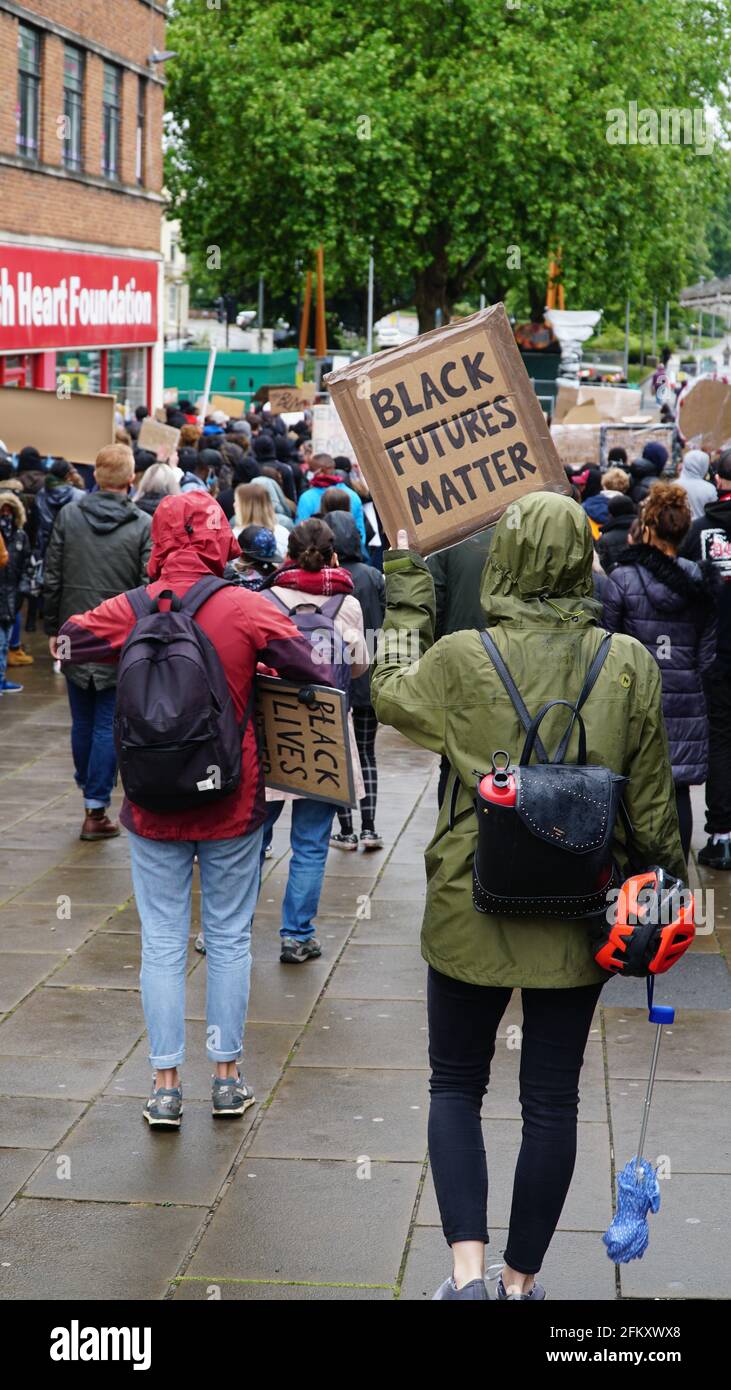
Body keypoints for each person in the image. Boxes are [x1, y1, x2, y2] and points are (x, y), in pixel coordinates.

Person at [370, 491, 685, 1301]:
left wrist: (406, 576)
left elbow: (387, 687)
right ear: (584, 562)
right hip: (579, 912)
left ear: (503, 557)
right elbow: (651, 809)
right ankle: (519, 1285)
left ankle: (466, 1277)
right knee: (551, 1100)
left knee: (454, 1083)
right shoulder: (627, 662)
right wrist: (662, 892)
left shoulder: (460, 656)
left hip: (467, 904)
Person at [54, 491, 333, 1127]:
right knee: (231, 938)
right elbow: (315, 666)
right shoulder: (244, 605)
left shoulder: (131, 607)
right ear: (218, 540)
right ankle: (228, 1079)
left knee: (160, 942)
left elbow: (68, 644)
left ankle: (163, 1085)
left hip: (152, 804)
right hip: (231, 802)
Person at [261, 518, 369, 963]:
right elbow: (359, 665)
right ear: (333, 555)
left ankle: (226, 928)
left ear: (289, 554)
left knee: (252, 838)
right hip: (324, 734)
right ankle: (296, 935)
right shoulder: (346, 603)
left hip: (271, 729)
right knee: (309, 841)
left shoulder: (265, 598)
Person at [43, 444, 152, 841]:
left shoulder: (69, 516)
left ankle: (89, 788)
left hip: (76, 630)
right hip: (117, 636)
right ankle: (95, 803)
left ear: (95, 477)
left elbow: (52, 574)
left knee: (84, 719)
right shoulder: (142, 523)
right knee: (107, 722)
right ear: (130, 479)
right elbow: (147, 586)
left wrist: (53, 627)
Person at [603, 482, 717, 859]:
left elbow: (609, 642)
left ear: (647, 527)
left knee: (630, 789)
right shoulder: (700, 580)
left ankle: (634, 883)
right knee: (678, 790)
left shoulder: (623, 577)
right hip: (685, 698)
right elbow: (707, 651)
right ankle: (673, 877)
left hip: (634, 698)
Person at [680, 448, 731, 868]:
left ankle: (721, 834)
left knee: (721, 740)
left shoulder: (699, 530)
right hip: (715, 652)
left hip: (715, 651)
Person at [326, 510, 386, 851]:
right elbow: (385, 624)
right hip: (368, 678)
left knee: (338, 756)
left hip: (334, 679)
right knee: (367, 755)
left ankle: (346, 829)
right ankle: (370, 828)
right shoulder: (373, 576)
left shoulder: (326, 579)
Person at [296, 453, 367, 549]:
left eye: (311, 470)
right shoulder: (353, 496)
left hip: (319, 559)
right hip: (351, 555)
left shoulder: (307, 498)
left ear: (321, 471)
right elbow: (360, 533)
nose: (309, 473)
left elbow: (301, 533)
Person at [0, 492, 31, 695]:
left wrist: (23, 589)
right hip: (7, 593)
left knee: (4, 641)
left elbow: (27, 565)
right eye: (3, 510)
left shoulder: (20, 536)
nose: (6, 514)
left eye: (9, 510)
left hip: (11, 596)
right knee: (2, 641)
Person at [233, 482, 290, 559]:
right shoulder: (283, 533)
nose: (234, 504)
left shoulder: (234, 537)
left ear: (247, 507)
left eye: (237, 501)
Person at [596, 494, 637, 574]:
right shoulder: (644, 531)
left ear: (611, 512)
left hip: (617, 581)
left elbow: (603, 567)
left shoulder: (605, 539)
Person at [675, 448, 716, 521]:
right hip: (701, 529)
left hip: (678, 528)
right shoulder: (710, 489)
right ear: (704, 466)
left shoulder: (674, 485)